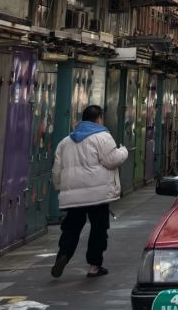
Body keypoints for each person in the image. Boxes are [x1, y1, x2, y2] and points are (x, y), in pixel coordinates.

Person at [51, 104, 128, 279]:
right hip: (97, 195)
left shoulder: (65, 142)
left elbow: (57, 170)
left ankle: (64, 254)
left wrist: (61, 188)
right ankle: (94, 266)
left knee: (71, 227)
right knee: (99, 229)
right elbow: (111, 161)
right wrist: (123, 151)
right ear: (99, 118)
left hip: (74, 195)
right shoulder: (103, 137)